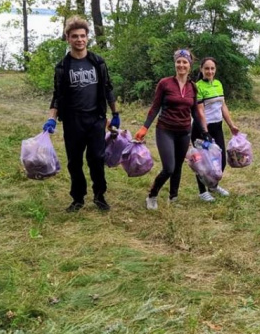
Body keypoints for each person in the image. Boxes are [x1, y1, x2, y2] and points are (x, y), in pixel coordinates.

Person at [43, 16, 120, 212]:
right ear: (68, 38)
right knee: (74, 162)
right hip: (73, 121)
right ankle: (78, 198)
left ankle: (99, 195)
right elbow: (57, 95)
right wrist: (52, 119)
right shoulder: (62, 67)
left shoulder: (97, 62)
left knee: (96, 159)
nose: (79, 40)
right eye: (75, 36)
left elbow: (108, 88)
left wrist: (115, 113)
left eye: (83, 36)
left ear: (87, 38)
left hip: (96, 120)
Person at [134, 49, 208, 210]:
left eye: (185, 62)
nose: (181, 65)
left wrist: (204, 131)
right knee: (169, 167)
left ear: (190, 65)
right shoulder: (165, 83)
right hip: (165, 130)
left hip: (184, 131)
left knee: (178, 167)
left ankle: (173, 198)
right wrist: (144, 127)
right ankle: (152, 195)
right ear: (175, 63)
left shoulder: (193, 87)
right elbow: (155, 107)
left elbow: (195, 111)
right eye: (178, 61)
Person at [191, 57, 240, 202]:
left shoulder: (218, 84)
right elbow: (199, 111)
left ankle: (213, 186)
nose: (210, 71)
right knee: (202, 162)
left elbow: (222, 106)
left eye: (212, 68)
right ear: (201, 69)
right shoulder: (197, 86)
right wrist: (205, 132)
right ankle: (202, 192)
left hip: (217, 126)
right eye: (207, 68)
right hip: (201, 128)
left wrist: (231, 125)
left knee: (221, 161)